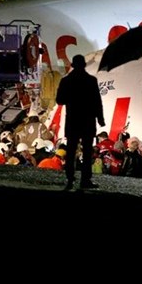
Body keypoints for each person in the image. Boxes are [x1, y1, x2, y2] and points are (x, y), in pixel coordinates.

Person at [55, 54, 106, 191]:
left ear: (73, 65)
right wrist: (100, 119)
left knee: (71, 150)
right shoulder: (91, 80)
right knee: (87, 150)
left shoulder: (66, 81)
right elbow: (97, 102)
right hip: (88, 121)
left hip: (72, 120)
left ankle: (70, 177)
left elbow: (59, 100)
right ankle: (85, 179)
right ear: (84, 65)